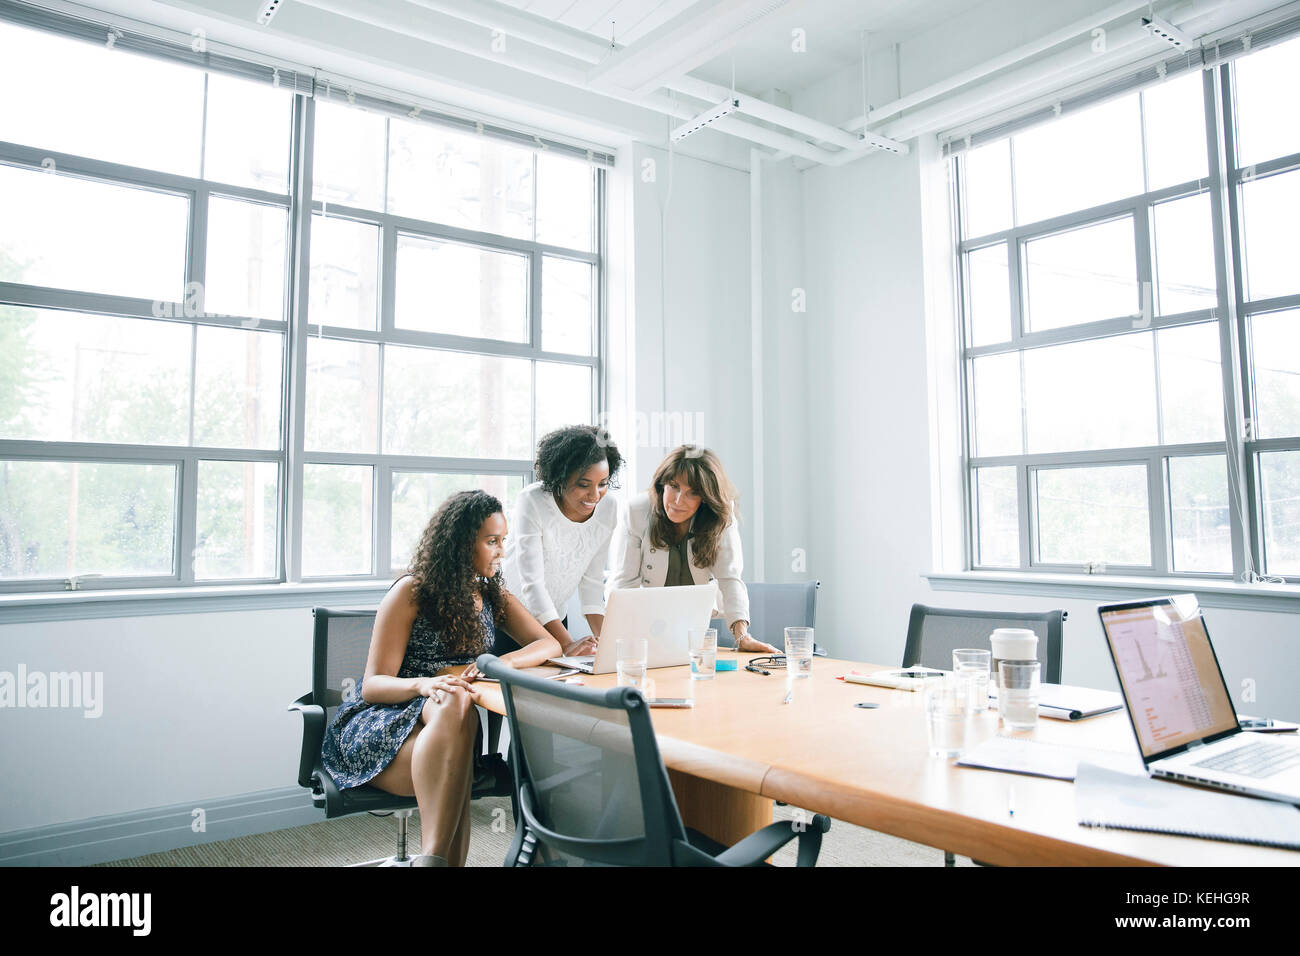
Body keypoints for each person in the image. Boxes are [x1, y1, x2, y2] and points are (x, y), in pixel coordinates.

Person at [319, 490, 561, 867]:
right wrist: (422, 684)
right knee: (453, 707)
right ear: (463, 544)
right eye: (492, 541)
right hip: (384, 726)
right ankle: (434, 859)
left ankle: (433, 861)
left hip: (445, 731)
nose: (501, 551)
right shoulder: (412, 591)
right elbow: (373, 686)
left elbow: (548, 645)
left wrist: (503, 663)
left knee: (457, 709)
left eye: (503, 541)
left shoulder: (490, 594)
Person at [612, 445, 778, 653]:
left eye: (693, 493)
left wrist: (742, 637)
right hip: (648, 620)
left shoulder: (720, 517)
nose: (678, 501)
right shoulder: (637, 510)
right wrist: (620, 637)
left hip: (697, 621)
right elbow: (624, 582)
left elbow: (730, 579)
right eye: (673, 486)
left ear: (706, 498)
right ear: (661, 484)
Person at [501, 424, 624, 657]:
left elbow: (592, 582)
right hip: (510, 620)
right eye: (583, 484)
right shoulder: (533, 500)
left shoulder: (609, 508)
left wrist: (608, 646)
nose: (595, 495)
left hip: (555, 618)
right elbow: (532, 585)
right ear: (560, 476)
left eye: (603, 484)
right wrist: (567, 645)